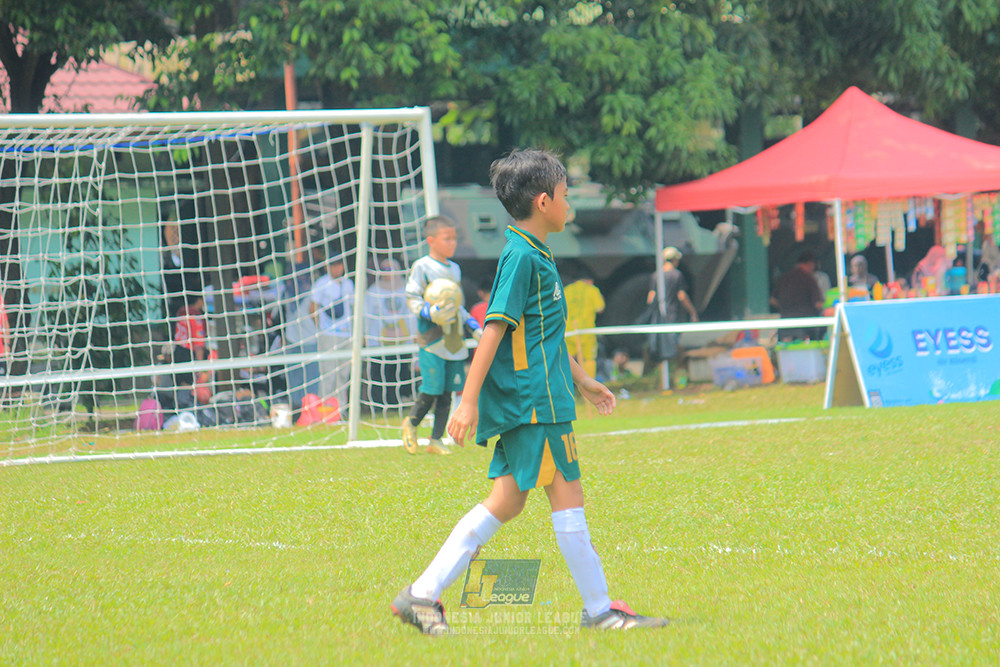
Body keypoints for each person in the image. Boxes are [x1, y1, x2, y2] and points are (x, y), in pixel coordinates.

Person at [390, 149, 667, 635]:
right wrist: (468, 399)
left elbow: (545, 335)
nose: (569, 205)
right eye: (565, 195)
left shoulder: (535, 251)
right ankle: (600, 610)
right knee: (567, 498)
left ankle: (421, 594)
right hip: (536, 405)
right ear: (543, 201)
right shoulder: (520, 256)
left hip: (543, 399)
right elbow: (495, 330)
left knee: (508, 501)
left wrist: (583, 381)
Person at [400, 215, 483, 456]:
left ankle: (436, 439)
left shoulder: (454, 269)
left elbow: (457, 305)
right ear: (431, 240)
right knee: (432, 388)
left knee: (448, 390)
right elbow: (412, 298)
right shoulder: (422, 266)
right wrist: (430, 312)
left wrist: (473, 327)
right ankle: (411, 423)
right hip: (432, 339)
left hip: (453, 339)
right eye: (447, 239)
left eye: (455, 238)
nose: (453, 243)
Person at [365, 258, 416, 409]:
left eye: (391, 269)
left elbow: (412, 313)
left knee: (401, 371)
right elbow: (367, 315)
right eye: (385, 270)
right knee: (380, 373)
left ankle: (401, 401)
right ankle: (380, 405)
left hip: (403, 340)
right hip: (379, 342)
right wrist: (366, 335)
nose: (388, 273)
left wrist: (413, 334)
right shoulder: (373, 291)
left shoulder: (407, 289)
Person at [309, 255, 354, 411]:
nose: (337, 268)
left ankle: (341, 409)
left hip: (346, 335)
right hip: (329, 335)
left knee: (344, 374)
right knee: (328, 373)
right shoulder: (321, 283)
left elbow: (353, 308)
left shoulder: (348, 283)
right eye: (333, 265)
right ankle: (326, 409)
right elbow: (312, 308)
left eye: (339, 265)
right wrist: (321, 328)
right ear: (327, 267)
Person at [644, 246, 698, 371]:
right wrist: (692, 312)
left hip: (658, 317)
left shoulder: (655, 275)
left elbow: (650, 298)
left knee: (660, 346)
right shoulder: (677, 275)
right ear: (674, 260)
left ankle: (663, 375)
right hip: (673, 315)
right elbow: (682, 296)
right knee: (674, 346)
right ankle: (676, 373)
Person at [770, 250, 824, 341]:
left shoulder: (784, 278)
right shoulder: (809, 279)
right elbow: (818, 304)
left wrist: (785, 308)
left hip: (785, 324)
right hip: (806, 326)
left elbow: (772, 300)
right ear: (810, 264)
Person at [563, 269, 605, 378]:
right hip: (587, 331)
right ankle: (589, 386)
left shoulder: (567, 289)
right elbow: (600, 308)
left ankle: (568, 385)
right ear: (590, 281)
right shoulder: (592, 290)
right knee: (589, 359)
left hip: (569, 331)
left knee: (567, 358)